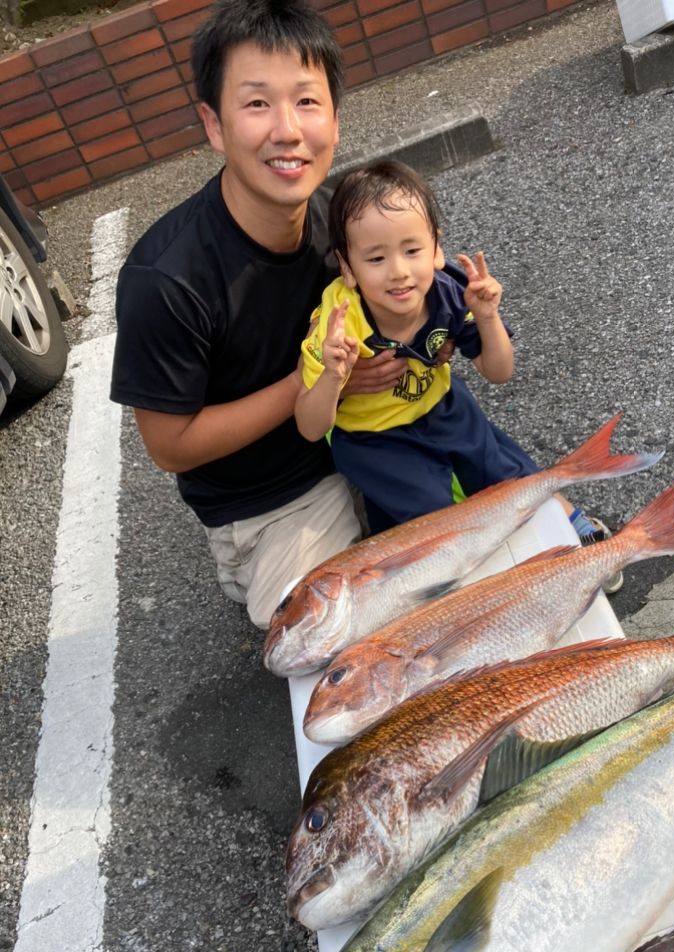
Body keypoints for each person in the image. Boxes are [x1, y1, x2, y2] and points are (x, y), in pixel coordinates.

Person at [109, 0, 410, 628]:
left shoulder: (340, 211)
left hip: (366, 433)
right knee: (326, 634)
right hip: (273, 500)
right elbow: (170, 446)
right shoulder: (166, 279)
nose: (287, 130)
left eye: (306, 101)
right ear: (214, 125)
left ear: (333, 116)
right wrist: (317, 380)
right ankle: (252, 565)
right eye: (255, 103)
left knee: (471, 547)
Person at [294, 159, 623, 588]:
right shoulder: (338, 323)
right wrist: (333, 377)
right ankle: (472, 577)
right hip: (374, 438)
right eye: (376, 257)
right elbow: (309, 425)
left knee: (505, 473)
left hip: (442, 405)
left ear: (435, 249)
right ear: (348, 267)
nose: (398, 270)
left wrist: (487, 317)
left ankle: (568, 519)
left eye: (411, 250)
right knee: (430, 521)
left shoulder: (449, 290)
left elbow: (498, 371)